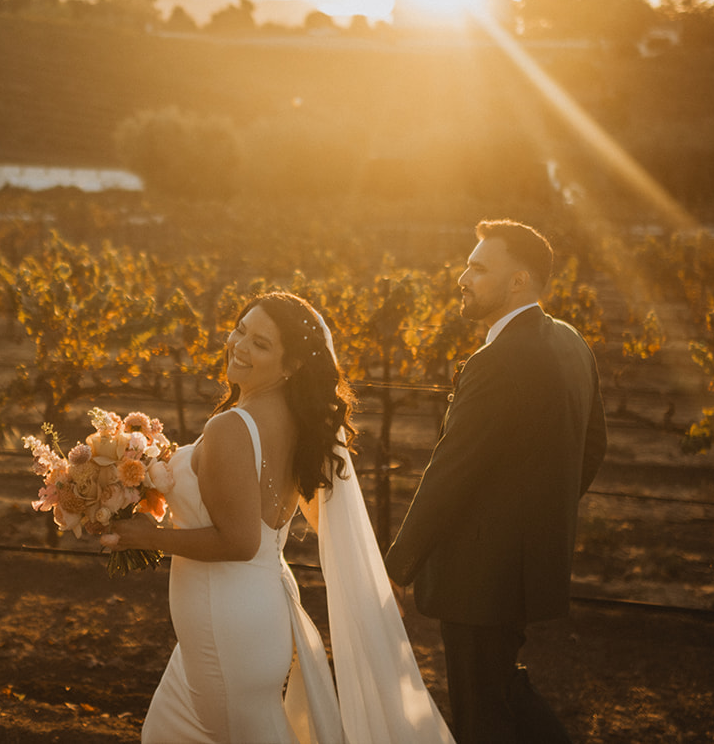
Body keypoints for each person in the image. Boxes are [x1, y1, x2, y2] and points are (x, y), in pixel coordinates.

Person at [106, 291, 453, 743]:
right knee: (164, 733)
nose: (240, 346)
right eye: (241, 330)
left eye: (261, 344)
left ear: (290, 367)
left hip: (226, 624)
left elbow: (240, 541)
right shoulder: (296, 422)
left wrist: (145, 537)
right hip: (239, 620)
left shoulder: (231, 427)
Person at [385, 220, 607, 744]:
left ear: (518, 282)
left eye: (479, 268)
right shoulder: (572, 343)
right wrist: (536, 520)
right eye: (467, 264)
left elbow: (451, 471)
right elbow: (593, 445)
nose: (462, 277)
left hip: (478, 575)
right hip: (524, 569)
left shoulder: (495, 361)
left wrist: (397, 568)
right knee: (502, 689)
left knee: (481, 712)